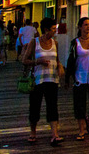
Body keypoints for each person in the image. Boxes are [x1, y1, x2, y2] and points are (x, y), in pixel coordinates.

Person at [22, 17, 65, 146]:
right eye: (52, 29)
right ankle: (33, 132)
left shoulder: (55, 43)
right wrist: (37, 62)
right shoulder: (34, 42)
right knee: (35, 106)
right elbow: (24, 60)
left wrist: (60, 66)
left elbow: (57, 60)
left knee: (52, 106)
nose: (54, 31)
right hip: (38, 80)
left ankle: (55, 134)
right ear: (46, 30)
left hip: (52, 79)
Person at [66, 17, 89, 140]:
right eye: (85, 25)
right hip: (79, 76)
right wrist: (67, 77)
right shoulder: (75, 43)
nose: (88, 27)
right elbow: (71, 60)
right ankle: (81, 130)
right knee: (79, 104)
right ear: (80, 27)